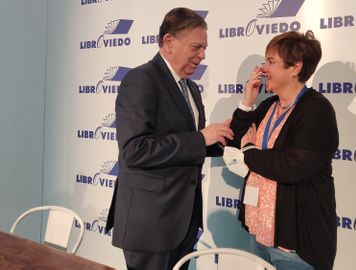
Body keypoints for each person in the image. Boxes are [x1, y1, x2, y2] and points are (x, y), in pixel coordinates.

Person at [105, 7, 233, 270]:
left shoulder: (191, 89)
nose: (202, 55)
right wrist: (200, 138)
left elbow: (189, 144)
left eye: (205, 48)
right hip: (151, 223)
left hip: (183, 220)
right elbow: (134, 150)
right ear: (169, 42)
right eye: (196, 47)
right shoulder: (141, 80)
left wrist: (218, 138)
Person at [227, 30, 339, 270]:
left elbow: (291, 166)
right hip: (259, 233)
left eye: (271, 61)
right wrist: (247, 103)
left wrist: (249, 150)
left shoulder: (316, 110)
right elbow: (232, 141)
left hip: (296, 245)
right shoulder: (268, 105)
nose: (264, 68)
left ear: (295, 67)